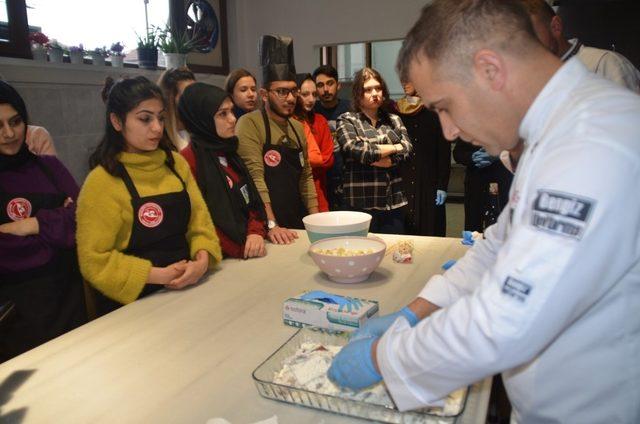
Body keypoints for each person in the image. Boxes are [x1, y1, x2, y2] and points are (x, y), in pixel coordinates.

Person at [328, 1, 640, 423]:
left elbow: (507, 318)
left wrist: (385, 358)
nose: (449, 131)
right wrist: (415, 312)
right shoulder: (556, 133)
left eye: (444, 106)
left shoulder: (590, 144)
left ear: (490, 70)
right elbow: (498, 245)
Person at [77, 76, 221, 316]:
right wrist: (159, 274)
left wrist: (202, 260)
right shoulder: (102, 182)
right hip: (134, 305)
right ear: (116, 121)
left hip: (189, 288)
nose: (157, 128)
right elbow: (94, 260)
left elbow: (200, 223)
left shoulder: (175, 164)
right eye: (145, 119)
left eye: (161, 118)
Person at [0, 81, 86, 361]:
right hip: (15, 312)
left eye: (15, 121)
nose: (9, 134)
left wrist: (33, 225)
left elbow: (83, 217)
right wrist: (58, 228)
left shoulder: (49, 167)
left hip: (68, 298)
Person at [236, 35, 318, 245]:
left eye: (293, 91)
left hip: (296, 221)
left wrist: (316, 219)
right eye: (282, 91)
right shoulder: (249, 124)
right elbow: (255, 178)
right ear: (264, 94)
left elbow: (306, 176)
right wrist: (271, 223)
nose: (290, 98)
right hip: (266, 227)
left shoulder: (298, 127)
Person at [178, 82, 268, 259]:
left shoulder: (229, 153)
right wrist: (239, 249)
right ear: (201, 119)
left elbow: (251, 204)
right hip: (215, 258)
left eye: (231, 111)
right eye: (222, 114)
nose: (233, 119)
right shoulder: (187, 163)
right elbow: (200, 222)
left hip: (248, 248)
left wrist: (255, 232)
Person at [336, 67, 412, 234]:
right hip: (360, 202)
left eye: (378, 88)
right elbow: (354, 149)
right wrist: (394, 147)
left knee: (394, 253)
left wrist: (388, 159)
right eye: (368, 89)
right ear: (358, 93)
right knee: (360, 253)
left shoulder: (393, 119)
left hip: (393, 202)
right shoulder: (347, 119)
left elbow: (407, 149)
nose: (375, 93)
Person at [521, 0, 640, 93]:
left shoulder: (605, 64)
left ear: (555, 27)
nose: (526, 46)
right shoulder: (528, 81)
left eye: (532, 34)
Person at [395, 81, 451, 236]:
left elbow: (444, 151)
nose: (404, 82)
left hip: (429, 182)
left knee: (430, 228)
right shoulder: (396, 111)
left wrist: (442, 185)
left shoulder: (437, 111)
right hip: (403, 180)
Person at [294, 73, 334, 212]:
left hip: (318, 188)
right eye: (305, 94)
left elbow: (327, 160)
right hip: (292, 189)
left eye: (314, 94)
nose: (311, 99)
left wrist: (305, 161)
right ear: (295, 94)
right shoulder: (289, 121)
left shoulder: (320, 120)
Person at [312, 65, 350, 211]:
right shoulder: (311, 110)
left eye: (330, 83)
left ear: (338, 85)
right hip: (321, 178)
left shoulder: (350, 108)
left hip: (346, 176)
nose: (326, 89)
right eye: (320, 85)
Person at [453, 139, 512, 231]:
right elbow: (457, 153)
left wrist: (499, 156)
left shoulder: (509, 125)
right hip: (475, 181)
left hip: (502, 182)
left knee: (501, 221)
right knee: (473, 222)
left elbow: (520, 151)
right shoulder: (469, 126)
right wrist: (472, 157)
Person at [157, 67, 196, 151]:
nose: (193, 99)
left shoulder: (200, 132)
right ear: (170, 98)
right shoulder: (159, 137)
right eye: (187, 94)